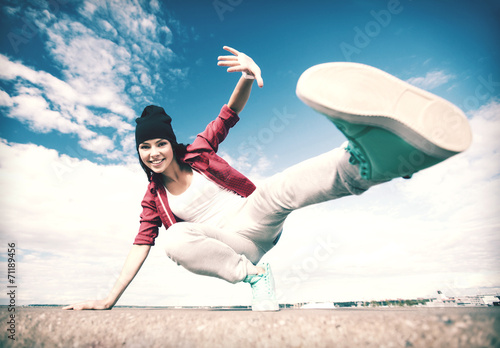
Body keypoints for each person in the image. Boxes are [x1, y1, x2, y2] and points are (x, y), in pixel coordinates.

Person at [63, 46, 471, 311]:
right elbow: (140, 246)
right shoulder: (153, 199)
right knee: (172, 239)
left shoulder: (200, 152)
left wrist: (246, 74)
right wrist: (108, 299)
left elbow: (228, 115)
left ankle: (373, 161)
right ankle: (256, 278)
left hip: (255, 216)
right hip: (231, 247)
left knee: (280, 188)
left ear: (171, 143)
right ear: (139, 153)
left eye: (158, 143)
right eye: (144, 147)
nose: (152, 152)